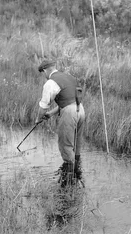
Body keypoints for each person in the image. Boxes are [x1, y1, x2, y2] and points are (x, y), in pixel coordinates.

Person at [35, 60, 85, 188]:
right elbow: (69, 101)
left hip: (69, 113)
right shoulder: (69, 77)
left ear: (45, 70)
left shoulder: (50, 83)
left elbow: (43, 105)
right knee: (76, 144)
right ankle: (78, 174)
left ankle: (68, 182)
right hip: (81, 110)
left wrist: (38, 119)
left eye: (43, 73)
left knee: (66, 145)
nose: (44, 76)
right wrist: (50, 114)